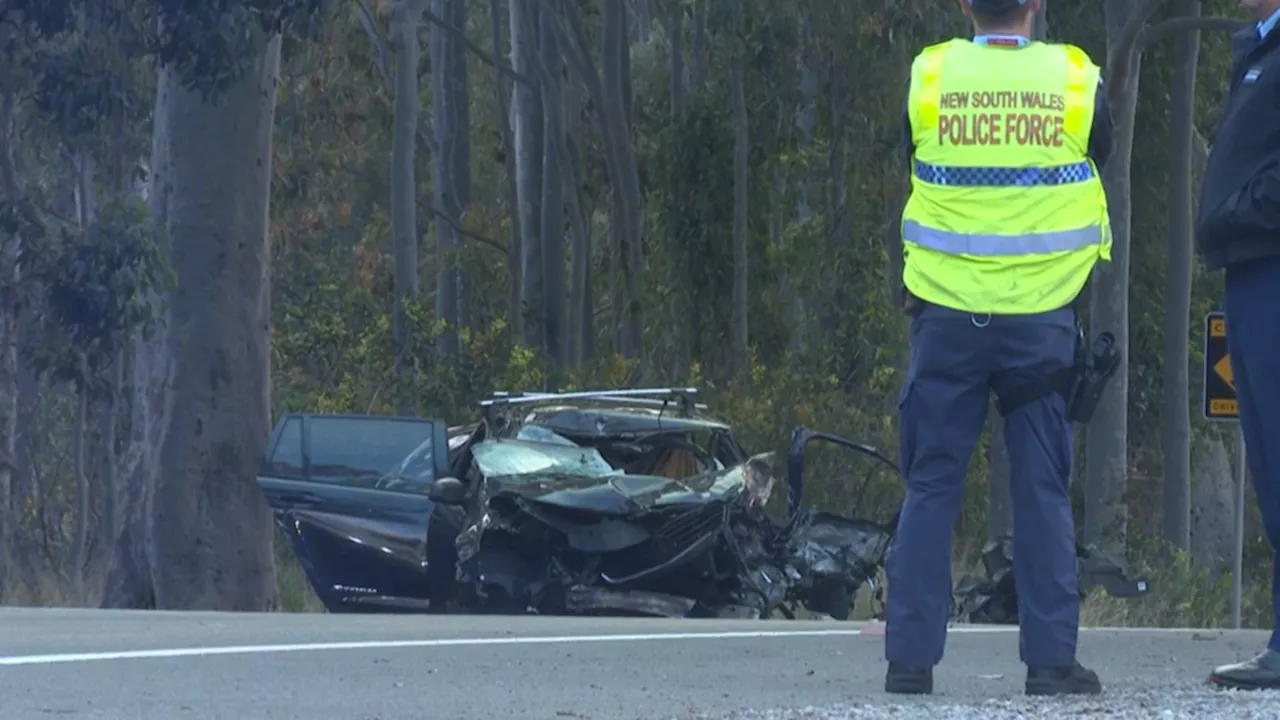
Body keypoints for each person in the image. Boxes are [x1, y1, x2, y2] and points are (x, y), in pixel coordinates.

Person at [883, 0, 1114, 697]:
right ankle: (1049, 662)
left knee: (931, 483)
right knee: (1040, 488)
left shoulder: (932, 75)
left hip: (947, 314)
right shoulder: (1074, 78)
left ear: (964, 5)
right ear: (1036, 4)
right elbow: (1097, 153)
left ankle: (909, 662)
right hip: (1040, 317)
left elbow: (913, 151)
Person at [1196, 0, 1280, 692]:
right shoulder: (1258, 49)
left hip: (1273, 264)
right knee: (1271, 466)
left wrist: (1235, 210)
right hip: (1249, 270)